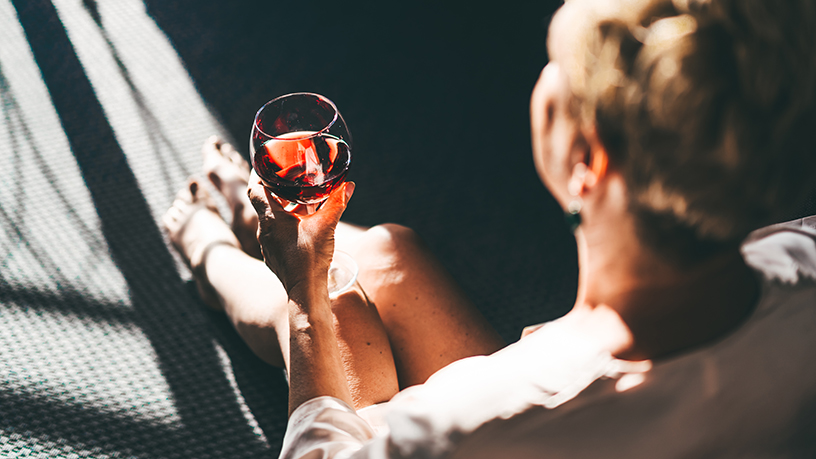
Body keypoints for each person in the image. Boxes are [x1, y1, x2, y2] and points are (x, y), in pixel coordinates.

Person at [163, 0, 816, 456]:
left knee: (334, 306)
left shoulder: (489, 421)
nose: (543, 77)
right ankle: (265, 227)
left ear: (586, 161)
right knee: (391, 253)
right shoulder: (803, 258)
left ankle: (207, 244)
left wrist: (303, 299)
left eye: (555, 67)